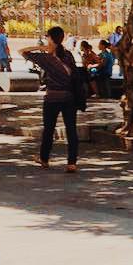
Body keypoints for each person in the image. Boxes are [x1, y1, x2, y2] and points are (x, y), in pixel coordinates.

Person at [23, 26, 83, 172]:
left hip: (52, 98)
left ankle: (44, 159)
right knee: (71, 130)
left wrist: (42, 47)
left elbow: (22, 52)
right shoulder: (68, 55)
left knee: (49, 129)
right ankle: (72, 163)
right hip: (69, 97)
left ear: (50, 38)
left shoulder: (45, 58)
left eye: (47, 37)